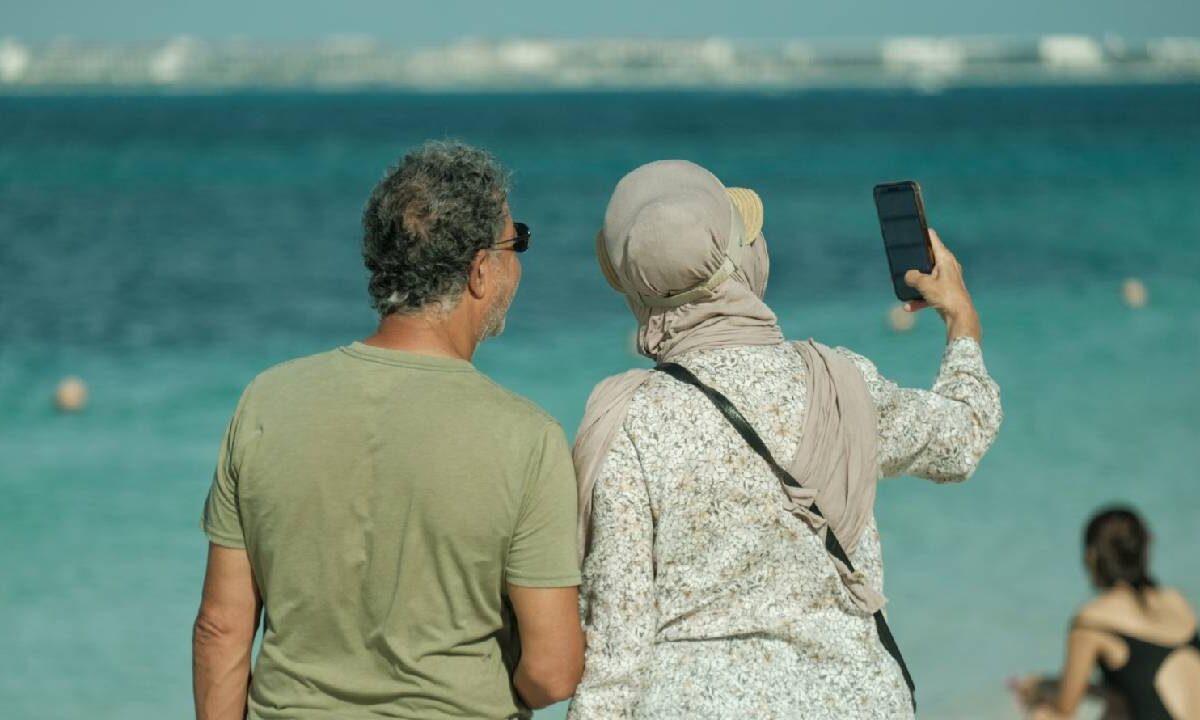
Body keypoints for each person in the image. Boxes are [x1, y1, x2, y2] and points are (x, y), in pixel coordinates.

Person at [568, 160, 1002, 719]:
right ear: (742, 261)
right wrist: (961, 320)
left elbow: (617, 642)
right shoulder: (838, 381)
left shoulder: (626, 422)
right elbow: (961, 438)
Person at [192, 141, 584, 720]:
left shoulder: (266, 401)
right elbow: (552, 672)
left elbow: (221, 628)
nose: (519, 260)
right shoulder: (526, 438)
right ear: (480, 270)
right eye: (515, 242)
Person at [1014, 506, 1200, 720]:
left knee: (1043, 714)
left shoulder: (1092, 621)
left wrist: (1036, 693)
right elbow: (1143, 687)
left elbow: (1065, 709)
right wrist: (1045, 684)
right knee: (1117, 705)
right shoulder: (1176, 600)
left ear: (1091, 556)